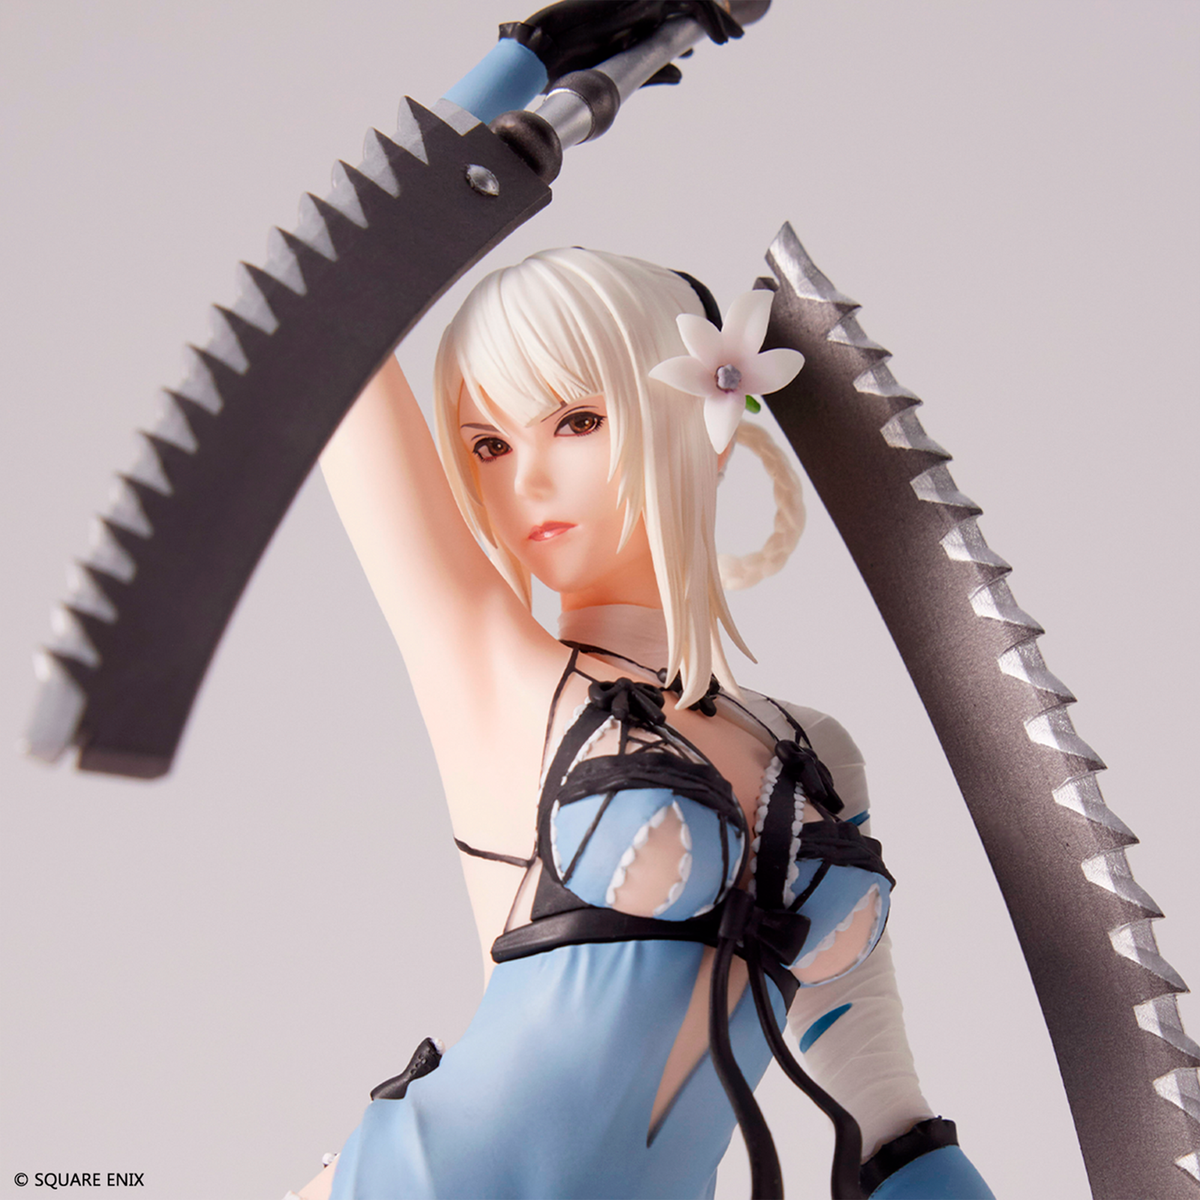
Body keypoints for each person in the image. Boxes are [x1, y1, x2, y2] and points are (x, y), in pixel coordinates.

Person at [295, 247, 992, 1199]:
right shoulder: (505, 679)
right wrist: (449, 189)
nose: (526, 480)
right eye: (489, 446)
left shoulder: (815, 752)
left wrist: (931, 1177)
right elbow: (330, 324)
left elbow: (871, 1078)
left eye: (577, 421)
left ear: (703, 423)